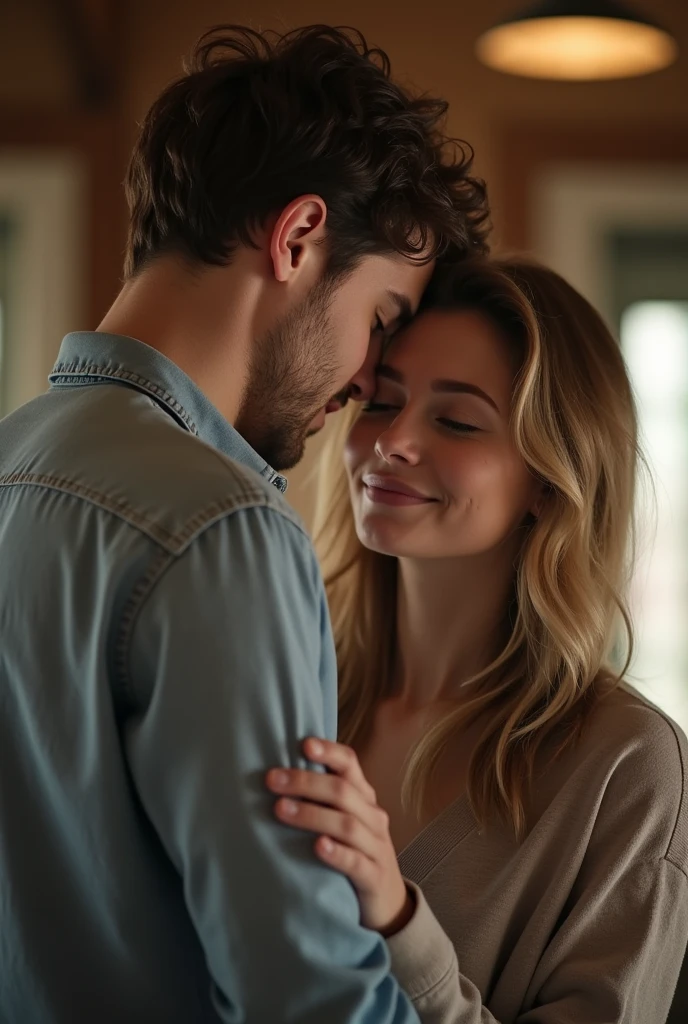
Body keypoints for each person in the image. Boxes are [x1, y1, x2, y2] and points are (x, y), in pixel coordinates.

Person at [0, 24, 490, 1024]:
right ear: (298, 236)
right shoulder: (222, 526)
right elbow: (308, 997)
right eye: (381, 320)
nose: (365, 383)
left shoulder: (14, 462)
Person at [267, 256, 688, 1022]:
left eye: (456, 420)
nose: (392, 442)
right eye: (380, 403)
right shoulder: (288, 684)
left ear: (548, 481)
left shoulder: (628, 766)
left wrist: (398, 924)